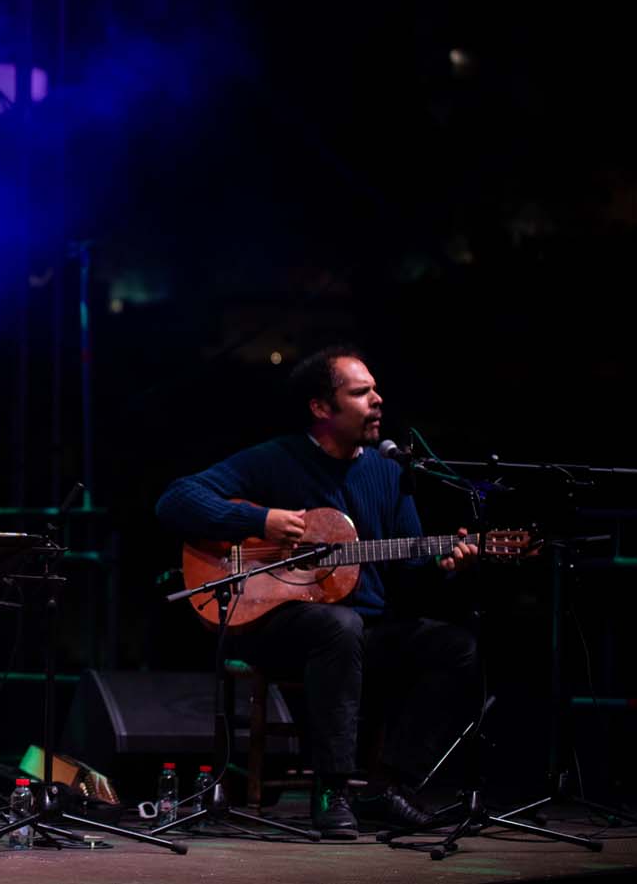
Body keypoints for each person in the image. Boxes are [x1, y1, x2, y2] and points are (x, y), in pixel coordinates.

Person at [155, 345, 479, 838]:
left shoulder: (389, 474)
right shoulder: (275, 459)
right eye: (361, 391)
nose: (377, 400)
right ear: (322, 408)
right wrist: (259, 518)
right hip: (276, 627)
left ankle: (389, 786)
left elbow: (410, 570)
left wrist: (445, 564)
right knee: (338, 626)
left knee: (457, 647)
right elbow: (175, 500)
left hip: (361, 628)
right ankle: (332, 789)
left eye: (374, 389)